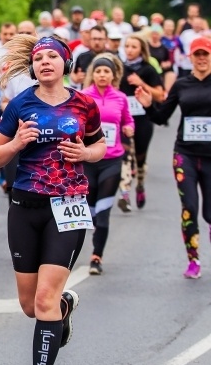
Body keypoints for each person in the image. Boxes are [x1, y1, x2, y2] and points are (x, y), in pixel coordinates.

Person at [0, 35, 106, 365]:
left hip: (68, 206)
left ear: (66, 62)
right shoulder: (21, 104)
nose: (45, 63)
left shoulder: (85, 104)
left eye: (53, 56)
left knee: (43, 300)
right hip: (24, 205)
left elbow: (99, 146)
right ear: (33, 67)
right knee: (29, 305)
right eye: (39, 58)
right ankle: (63, 310)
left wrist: (85, 153)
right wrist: (17, 143)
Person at [136, 36, 211, 279]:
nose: (201, 59)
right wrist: (148, 106)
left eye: (205, 54)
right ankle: (194, 260)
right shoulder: (181, 85)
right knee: (189, 207)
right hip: (185, 154)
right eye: (197, 54)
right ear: (190, 57)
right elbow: (160, 117)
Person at [81, 53, 134, 275]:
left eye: (106, 71)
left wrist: (129, 129)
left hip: (112, 159)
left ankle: (96, 256)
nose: (102, 75)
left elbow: (128, 120)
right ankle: (92, 227)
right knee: (90, 209)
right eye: (99, 71)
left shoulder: (121, 98)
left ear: (113, 75)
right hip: (89, 158)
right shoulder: (82, 96)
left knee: (104, 211)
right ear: (92, 74)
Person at [118, 33, 164, 211]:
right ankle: (125, 194)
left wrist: (141, 83)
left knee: (139, 157)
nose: (129, 50)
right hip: (124, 119)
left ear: (141, 50)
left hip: (143, 119)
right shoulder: (120, 68)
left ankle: (140, 184)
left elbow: (160, 96)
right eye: (127, 46)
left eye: (133, 47)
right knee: (125, 156)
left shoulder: (148, 69)